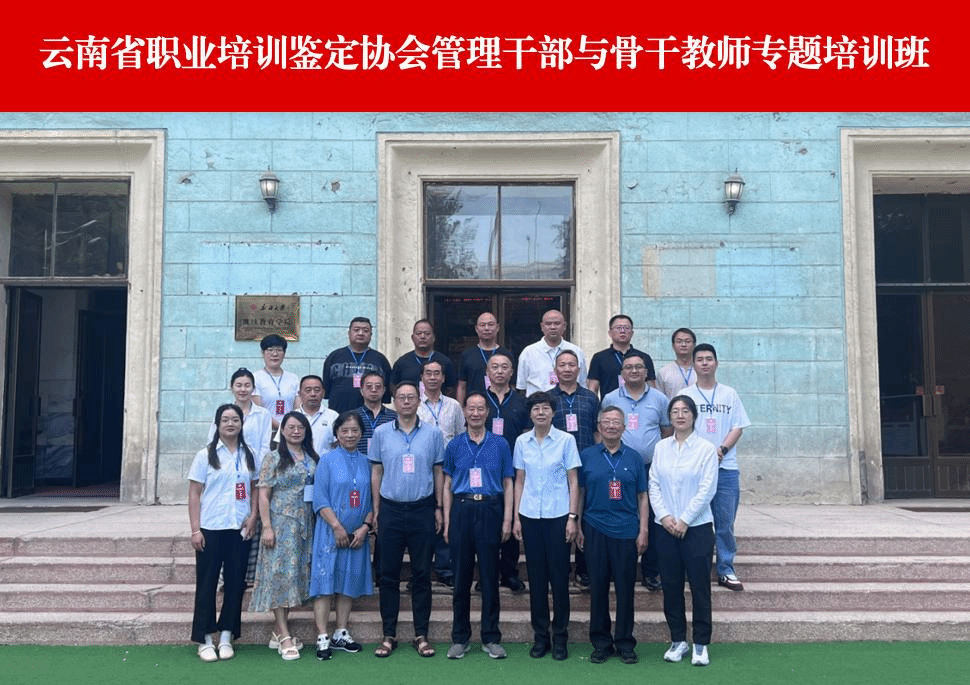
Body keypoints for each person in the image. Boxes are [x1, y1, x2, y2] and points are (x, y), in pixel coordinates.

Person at [369, 380, 445, 659]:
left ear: (418, 400)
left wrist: (438, 507)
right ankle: (388, 634)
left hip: (422, 510)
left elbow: (438, 472)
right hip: (390, 509)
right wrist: (376, 509)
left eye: (411, 397)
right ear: (394, 401)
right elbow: (376, 471)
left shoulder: (433, 433)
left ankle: (421, 634)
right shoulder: (381, 433)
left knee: (422, 574)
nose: (406, 402)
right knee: (388, 574)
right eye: (401, 397)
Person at [443, 392, 514, 660]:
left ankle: (491, 637)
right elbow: (447, 485)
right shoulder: (454, 445)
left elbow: (508, 482)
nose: (475, 413)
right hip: (462, 509)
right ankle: (460, 638)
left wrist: (507, 519)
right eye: (471, 409)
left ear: (487, 413)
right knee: (461, 578)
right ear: (464, 412)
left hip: (490, 509)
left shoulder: (500, 444)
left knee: (489, 577)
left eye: (480, 409)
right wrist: (447, 520)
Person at [577, 406, 649, 665]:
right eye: (606, 422)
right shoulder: (587, 456)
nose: (611, 426)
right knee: (597, 588)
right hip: (594, 527)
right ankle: (601, 643)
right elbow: (580, 492)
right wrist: (577, 524)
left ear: (624, 427)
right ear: (599, 426)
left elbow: (642, 496)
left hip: (626, 530)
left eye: (616, 422)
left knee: (625, 589)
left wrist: (643, 529)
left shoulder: (634, 457)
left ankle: (625, 642)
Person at [649, 395, 718, 667]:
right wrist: (665, 517)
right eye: (675, 411)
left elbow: (707, 488)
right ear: (669, 417)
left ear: (693, 416)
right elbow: (654, 484)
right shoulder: (661, 447)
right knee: (671, 586)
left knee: (700, 587)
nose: (680, 415)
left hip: (697, 528)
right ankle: (678, 640)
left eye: (685, 411)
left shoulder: (706, 449)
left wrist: (685, 519)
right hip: (665, 528)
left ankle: (701, 643)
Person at [512, 391, 580, 661]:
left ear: (553, 412)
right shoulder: (522, 442)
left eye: (545, 408)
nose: (540, 413)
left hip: (558, 516)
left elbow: (573, 481)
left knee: (559, 579)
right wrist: (516, 517)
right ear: (530, 414)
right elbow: (519, 480)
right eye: (536, 409)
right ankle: (541, 637)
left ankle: (560, 637)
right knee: (537, 579)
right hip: (530, 516)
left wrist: (573, 517)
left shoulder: (566, 440)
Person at [187, 403, 258, 662]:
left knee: (235, 583)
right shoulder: (205, 455)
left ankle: (227, 635)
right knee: (207, 584)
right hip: (211, 527)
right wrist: (195, 529)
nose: (231, 424)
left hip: (239, 528)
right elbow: (194, 494)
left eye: (235, 420)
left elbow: (255, 488)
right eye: (225, 420)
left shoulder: (249, 454)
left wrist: (253, 517)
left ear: (241, 424)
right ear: (217, 424)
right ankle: (205, 638)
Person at [680, 343, 751, 592]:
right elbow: (682, 428)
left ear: (716, 363)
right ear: (693, 364)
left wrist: (721, 450)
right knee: (694, 520)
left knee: (724, 522)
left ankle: (726, 569)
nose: (704, 363)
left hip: (725, 468)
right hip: (695, 469)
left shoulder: (729, 394)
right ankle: (693, 567)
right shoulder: (686, 395)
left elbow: (738, 427)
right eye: (699, 359)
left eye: (709, 359)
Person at [249, 411, 318, 661]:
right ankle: (285, 635)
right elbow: (264, 494)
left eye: (300, 427)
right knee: (279, 576)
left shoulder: (312, 457)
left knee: (293, 577)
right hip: (281, 523)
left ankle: (278, 631)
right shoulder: (273, 457)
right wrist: (267, 526)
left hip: (305, 524)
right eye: (291, 427)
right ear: (283, 430)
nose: (296, 431)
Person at [601, 351, 672, 592]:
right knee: (620, 512)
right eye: (628, 367)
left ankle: (650, 571)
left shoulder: (659, 399)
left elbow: (666, 431)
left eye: (638, 367)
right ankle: (615, 568)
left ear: (646, 372)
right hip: (617, 466)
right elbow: (603, 429)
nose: (633, 371)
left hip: (650, 467)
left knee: (651, 517)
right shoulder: (610, 398)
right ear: (622, 373)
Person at [310, 411, 374, 660]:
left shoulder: (368, 462)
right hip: (330, 532)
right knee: (325, 583)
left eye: (354, 430)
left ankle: (341, 632)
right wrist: (336, 526)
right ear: (336, 433)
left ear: (361, 433)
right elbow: (320, 498)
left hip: (357, 535)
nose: (349, 435)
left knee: (348, 582)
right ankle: (322, 635)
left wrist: (365, 527)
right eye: (344, 430)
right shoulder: (327, 460)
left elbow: (372, 500)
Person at [549, 349, 600, 589]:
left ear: (579, 370)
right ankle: (560, 569)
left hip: (586, 463)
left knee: (584, 518)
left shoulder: (590, 398)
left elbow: (597, 431)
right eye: (562, 365)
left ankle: (583, 569)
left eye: (572, 365)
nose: (567, 369)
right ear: (555, 370)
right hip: (557, 467)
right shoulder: (548, 398)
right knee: (562, 516)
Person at [417, 360, 465, 588]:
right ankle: (421, 570)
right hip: (422, 468)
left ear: (444, 378)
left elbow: (460, 435)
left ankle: (445, 569)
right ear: (422, 378)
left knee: (447, 515)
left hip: (449, 468)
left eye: (437, 374)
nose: (433, 377)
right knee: (425, 520)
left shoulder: (454, 406)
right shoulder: (414, 404)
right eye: (428, 373)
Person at [484, 353, 528, 593]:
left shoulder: (521, 402)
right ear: (487, 372)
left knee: (511, 520)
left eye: (504, 367)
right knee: (488, 524)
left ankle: (510, 573)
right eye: (495, 367)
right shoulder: (479, 400)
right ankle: (487, 573)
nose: (499, 371)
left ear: (512, 372)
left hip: (515, 468)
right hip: (485, 470)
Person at [322, 317, 393, 414]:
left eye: (365, 331)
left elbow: (386, 392)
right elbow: (326, 389)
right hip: (338, 414)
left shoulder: (380, 359)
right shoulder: (334, 357)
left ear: (371, 335)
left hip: (371, 416)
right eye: (356, 330)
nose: (360, 333)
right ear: (349, 333)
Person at [516, 309, 587, 396]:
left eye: (557, 323)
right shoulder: (528, 352)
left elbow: (583, 383)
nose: (552, 327)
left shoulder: (576, 351)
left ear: (564, 326)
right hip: (538, 402)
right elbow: (521, 387)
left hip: (569, 401)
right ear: (542, 327)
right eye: (548, 324)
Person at [587, 314, 656, 398]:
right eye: (618, 328)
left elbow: (651, 387)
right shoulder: (599, 358)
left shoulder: (644, 358)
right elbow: (593, 389)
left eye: (627, 328)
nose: (622, 331)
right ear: (610, 333)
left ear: (632, 333)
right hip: (610, 404)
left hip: (639, 404)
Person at [456, 312, 513, 405]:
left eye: (490, 324)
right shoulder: (467, 355)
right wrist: (461, 409)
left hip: (500, 405)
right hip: (475, 407)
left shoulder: (506, 355)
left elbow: (512, 385)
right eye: (482, 325)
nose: (486, 328)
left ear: (497, 328)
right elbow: (462, 386)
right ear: (476, 329)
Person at [390, 319, 457, 396]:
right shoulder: (402, 362)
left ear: (433, 338)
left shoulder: (445, 362)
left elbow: (451, 388)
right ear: (412, 338)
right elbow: (393, 386)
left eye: (427, 334)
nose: (422, 337)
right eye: (419, 334)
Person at [277, 375, 338, 458]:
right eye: (308, 390)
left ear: (323, 393)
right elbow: (280, 444)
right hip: (294, 464)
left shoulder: (333, 416)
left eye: (317, 390)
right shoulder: (290, 417)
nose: (313, 394)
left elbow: (338, 445)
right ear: (300, 393)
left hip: (324, 464)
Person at [252, 334, 301, 431]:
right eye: (270, 350)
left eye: (279, 350)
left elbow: (298, 409)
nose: (275, 354)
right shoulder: (255, 378)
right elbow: (259, 411)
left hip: (290, 433)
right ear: (263, 353)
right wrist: (282, 428)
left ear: (284, 353)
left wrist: (289, 428)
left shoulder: (293, 378)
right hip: (266, 431)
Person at [355, 371, 396, 456]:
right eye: (369, 386)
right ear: (361, 390)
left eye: (378, 386)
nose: (374, 390)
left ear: (384, 390)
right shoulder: (353, 416)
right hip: (358, 462)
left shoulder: (394, 417)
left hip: (385, 462)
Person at [657, 328, 697, 399]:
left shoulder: (701, 370)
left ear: (694, 345)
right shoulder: (664, 372)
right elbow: (660, 399)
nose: (683, 344)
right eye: (679, 341)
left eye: (687, 341)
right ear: (673, 346)